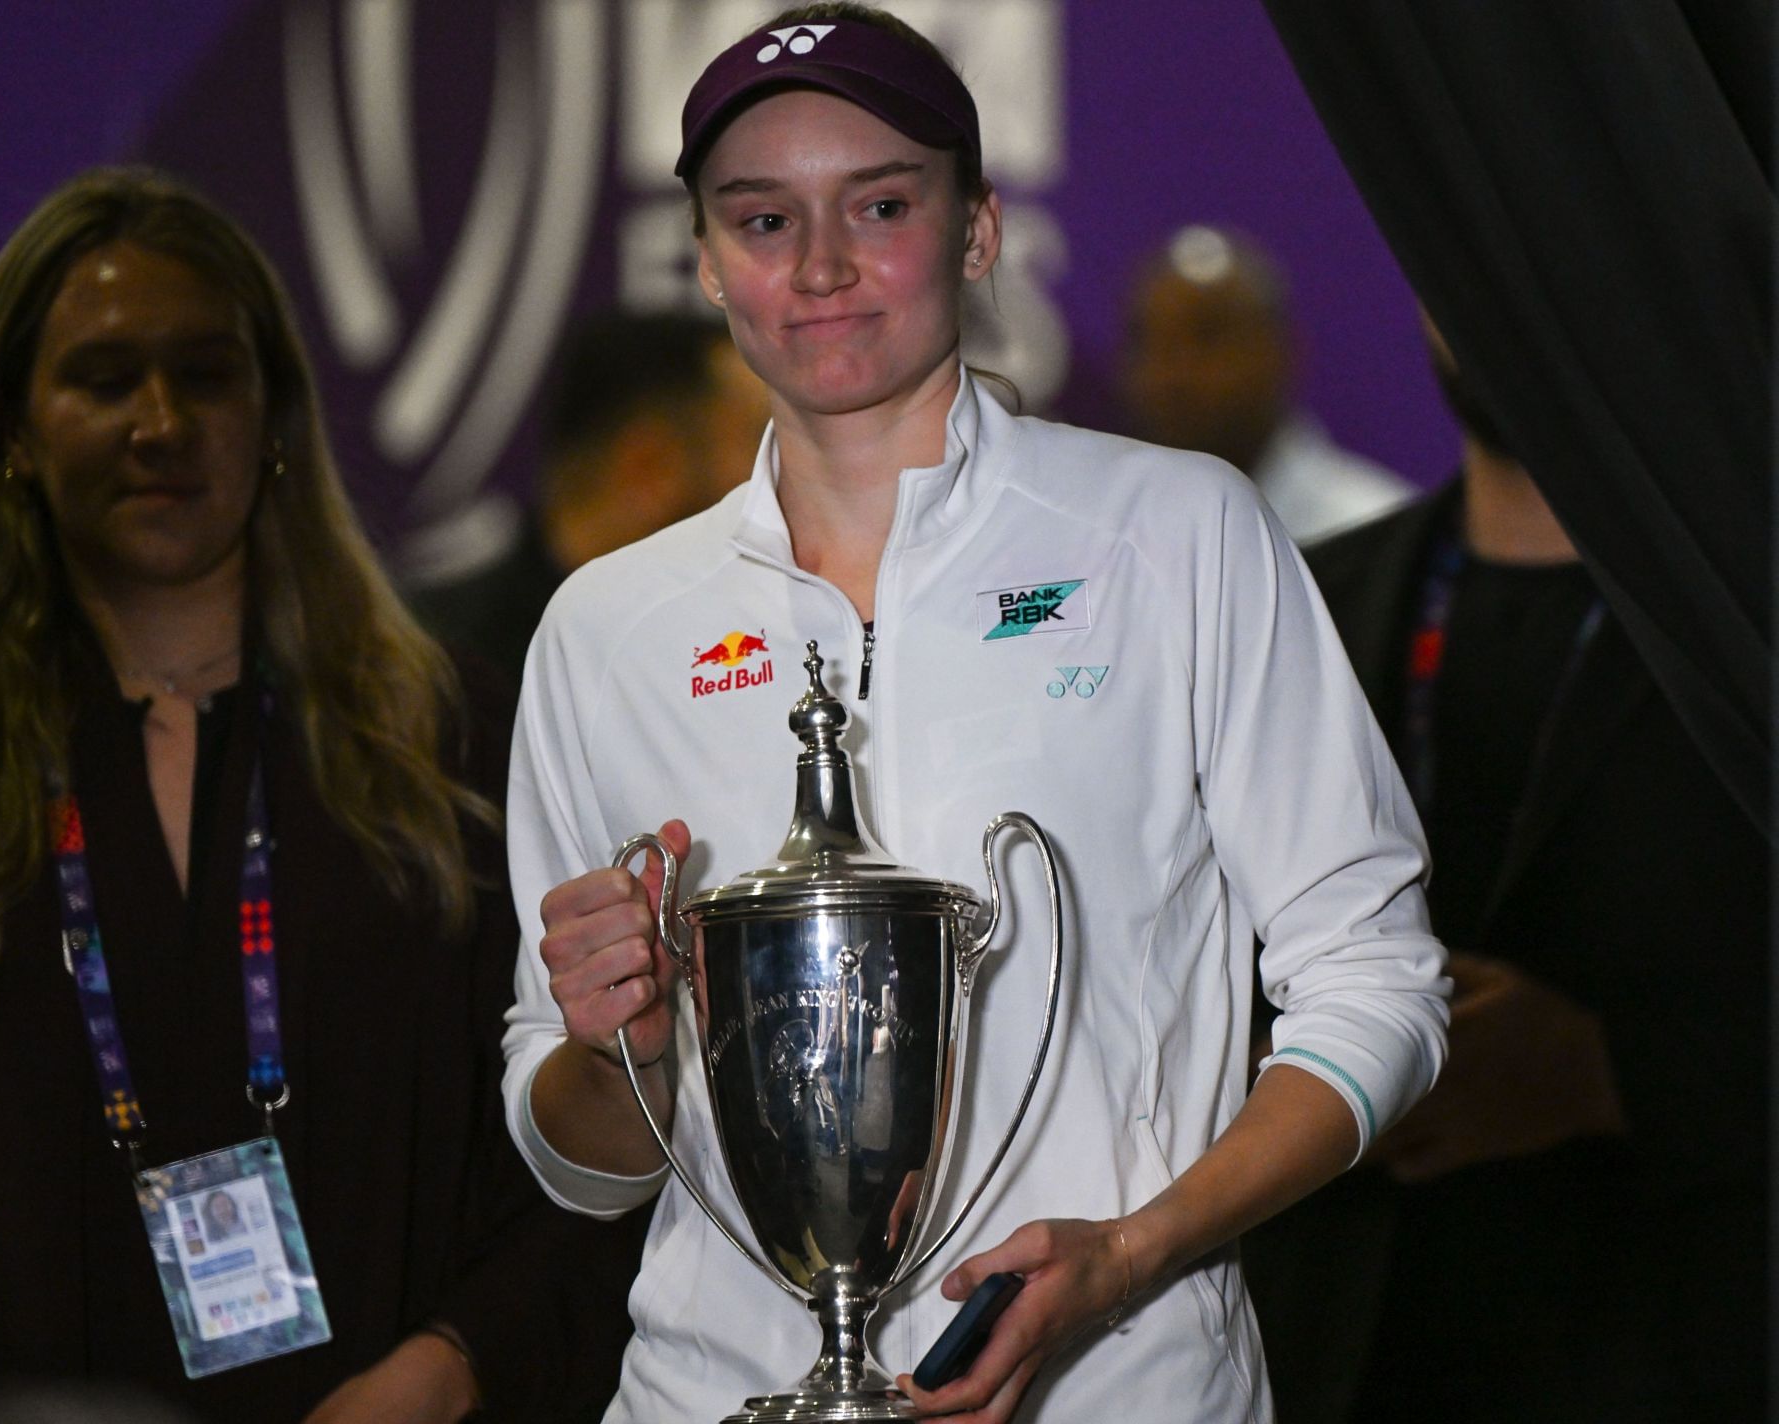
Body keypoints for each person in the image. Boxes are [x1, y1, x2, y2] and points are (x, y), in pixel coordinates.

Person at [499, 7, 1448, 1421]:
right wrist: (618, 1047)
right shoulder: (607, 627)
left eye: (880, 204)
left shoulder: (1177, 536)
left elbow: (1381, 989)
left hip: (1121, 1388)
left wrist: (1130, 1256)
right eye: (763, 220)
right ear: (704, 261)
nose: (820, 266)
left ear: (979, 231)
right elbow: (584, 1158)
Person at [0, 167, 642, 1424]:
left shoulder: (459, 744)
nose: (161, 421)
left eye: (206, 373)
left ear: (275, 414)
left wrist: (456, 1363)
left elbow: (605, 1152)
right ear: (11, 426)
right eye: (105, 377)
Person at [1243, 322, 1769, 1422]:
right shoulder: (1297, 605)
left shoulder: (1742, 619)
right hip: (1338, 1354)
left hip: (1686, 1344)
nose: (1482, 281)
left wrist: (1613, 1074)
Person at [411, 311, 767, 688]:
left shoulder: (769, 651)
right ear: (650, 468)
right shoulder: (435, 684)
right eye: (763, 440)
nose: (793, 474)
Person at [1120, 225, 1412, 543]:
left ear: (1280, 351)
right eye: (1151, 343)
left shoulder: (1375, 535)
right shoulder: (1111, 536)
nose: (1176, 374)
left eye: (1208, 337)